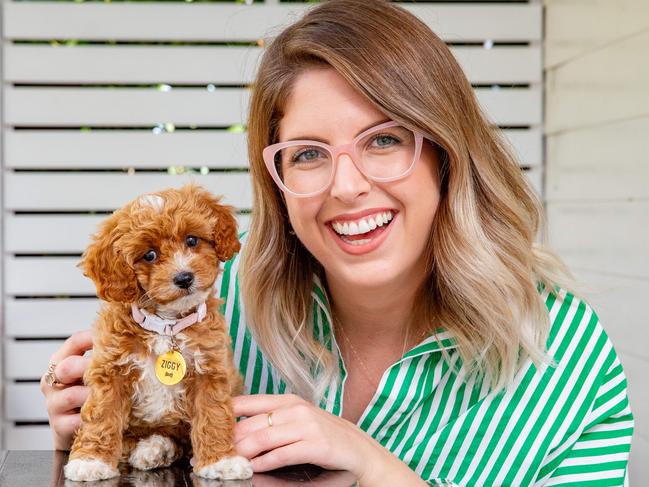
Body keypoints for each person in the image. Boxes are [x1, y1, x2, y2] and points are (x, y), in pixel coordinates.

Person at [40, 0, 634, 485]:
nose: (347, 187)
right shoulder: (220, 295)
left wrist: (375, 468)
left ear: (450, 154)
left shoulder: (569, 361)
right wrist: (100, 433)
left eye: (384, 140)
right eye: (307, 154)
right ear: (276, 180)